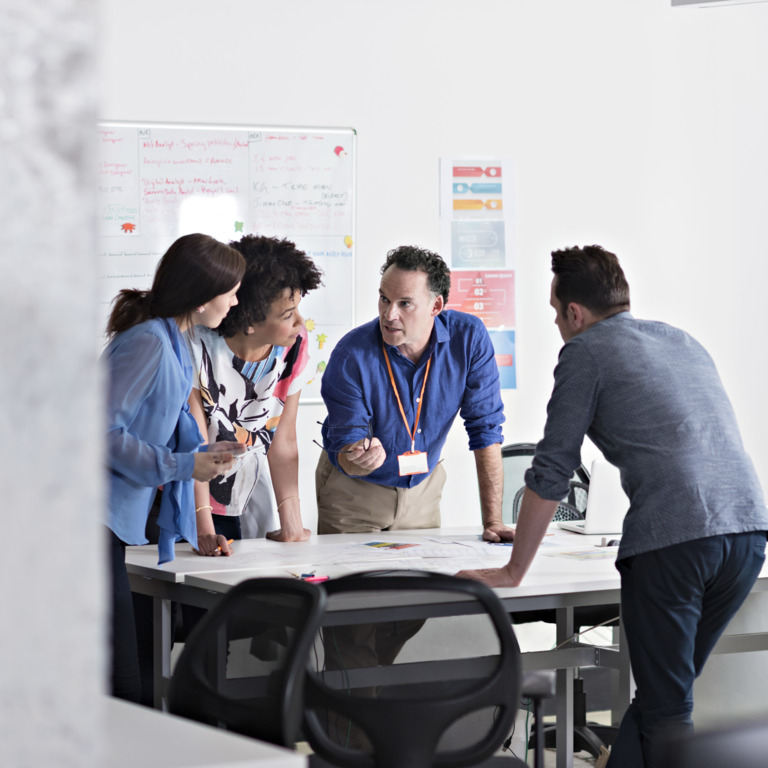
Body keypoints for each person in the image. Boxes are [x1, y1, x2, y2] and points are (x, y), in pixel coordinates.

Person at [459, 245, 768, 767]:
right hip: (748, 534)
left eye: (556, 314)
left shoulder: (585, 351)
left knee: (668, 707)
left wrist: (515, 569)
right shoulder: (682, 340)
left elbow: (553, 466)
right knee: (661, 696)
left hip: (675, 542)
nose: (557, 324)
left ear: (574, 313)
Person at [104, 232, 245, 702]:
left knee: (128, 674)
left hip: (108, 522)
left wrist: (210, 455)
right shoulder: (149, 341)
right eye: (231, 290)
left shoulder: (175, 340)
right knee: (123, 680)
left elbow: (176, 422)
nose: (236, 300)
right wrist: (185, 464)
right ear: (203, 295)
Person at [316, 244, 514, 538]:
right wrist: (357, 457)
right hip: (356, 493)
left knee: (420, 581)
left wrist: (493, 522)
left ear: (436, 307)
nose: (389, 314)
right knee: (355, 583)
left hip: (423, 489)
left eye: (405, 303)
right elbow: (346, 447)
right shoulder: (351, 354)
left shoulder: (469, 338)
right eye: (384, 299)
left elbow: (485, 429)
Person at [186, 234, 322, 553]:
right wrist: (203, 528)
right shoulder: (193, 345)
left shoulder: (295, 345)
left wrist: (290, 522)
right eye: (288, 314)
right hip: (187, 497)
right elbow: (192, 444)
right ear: (249, 320)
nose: (300, 322)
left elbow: (283, 440)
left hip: (244, 495)